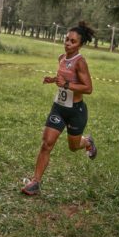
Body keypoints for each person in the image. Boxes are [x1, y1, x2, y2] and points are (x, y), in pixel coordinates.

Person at [21, 21, 97, 196]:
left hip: (75, 111)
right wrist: (54, 80)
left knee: (73, 146)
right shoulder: (61, 58)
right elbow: (63, 79)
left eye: (73, 41)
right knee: (47, 143)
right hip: (59, 108)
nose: (68, 43)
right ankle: (35, 182)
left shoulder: (80, 62)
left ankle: (87, 142)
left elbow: (88, 88)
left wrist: (67, 84)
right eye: (66, 39)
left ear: (80, 45)